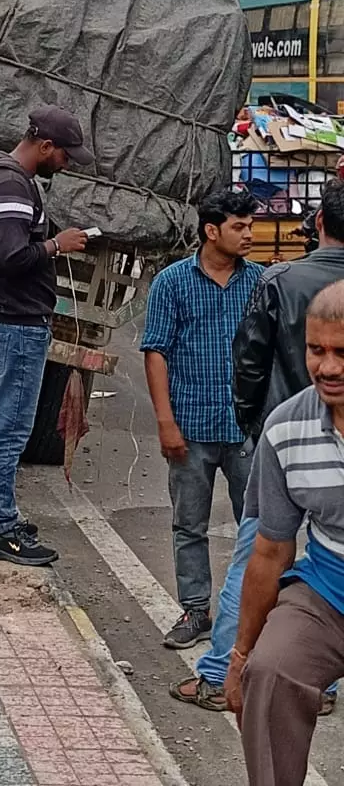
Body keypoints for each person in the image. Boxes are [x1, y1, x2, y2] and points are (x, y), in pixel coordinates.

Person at [171, 178, 344, 712]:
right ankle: (319, 683)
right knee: (326, 565)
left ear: (319, 223)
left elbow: (248, 365)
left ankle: (220, 673)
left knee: (258, 558)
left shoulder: (279, 280)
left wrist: (256, 429)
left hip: (286, 444)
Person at [223, 280, 344, 786]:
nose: (328, 367)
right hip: (327, 594)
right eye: (317, 350)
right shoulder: (286, 429)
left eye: (342, 353)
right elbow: (271, 551)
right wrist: (240, 658)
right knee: (270, 673)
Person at [0, 105, 92, 566]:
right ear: (44, 146)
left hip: (5, 323)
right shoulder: (11, 185)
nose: (67, 164)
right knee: (7, 430)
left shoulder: (8, 179)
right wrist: (57, 245)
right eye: (64, 155)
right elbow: (9, 257)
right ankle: (2, 530)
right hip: (15, 325)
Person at [141, 190, 262, 648]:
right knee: (189, 524)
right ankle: (196, 611)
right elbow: (156, 352)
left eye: (250, 226)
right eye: (239, 226)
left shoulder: (261, 282)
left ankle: (255, 614)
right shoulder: (172, 282)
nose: (248, 234)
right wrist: (165, 422)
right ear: (212, 231)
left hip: (247, 430)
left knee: (259, 525)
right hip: (190, 426)